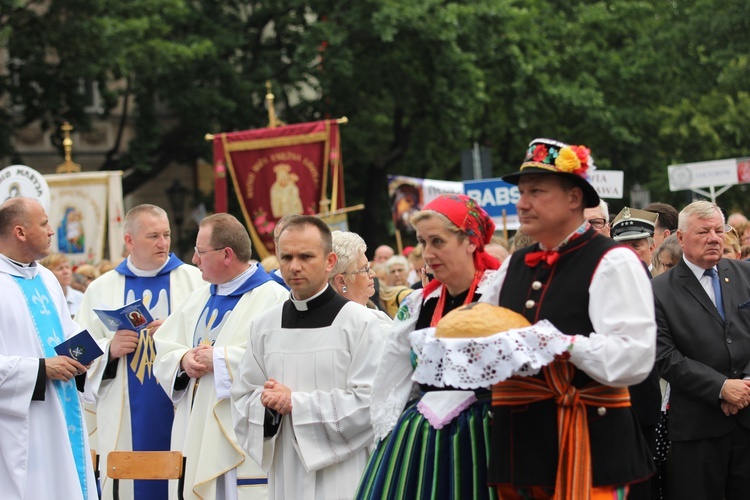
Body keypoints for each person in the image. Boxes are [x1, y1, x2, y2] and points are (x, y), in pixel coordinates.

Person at [481, 138, 655, 498]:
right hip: (519, 452)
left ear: (574, 198)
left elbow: (634, 358)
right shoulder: (514, 263)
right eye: (521, 192)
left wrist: (564, 345)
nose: (522, 203)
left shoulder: (613, 260)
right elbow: (486, 335)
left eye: (536, 191)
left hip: (591, 450)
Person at [356, 193, 501, 500]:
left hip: (486, 433)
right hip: (425, 436)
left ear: (471, 241)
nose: (427, 252)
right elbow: (392, 377)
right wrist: (391, 432)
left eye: (438, 241)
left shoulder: (499, 292)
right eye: (422, 242)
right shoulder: (419, 302)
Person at [231, 215, 385, 500]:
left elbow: (373, 402)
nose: (295, 266)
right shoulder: (264, 325)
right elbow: (242, 397)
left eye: (306, 256)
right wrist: (266, 407)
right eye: (286, 257)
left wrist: (296, 403)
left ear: (329, 262)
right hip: (286, 471)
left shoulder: (361, 323)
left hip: (344, 473)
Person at [75, 204, 205, 500]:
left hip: (181, 405)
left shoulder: (196, 281)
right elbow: (77, 353)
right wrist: (109, 350)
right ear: (129, 241)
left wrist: (173, 334)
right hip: (123, 413)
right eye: (153, 236)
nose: (163, 243)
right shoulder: (101, 288)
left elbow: (211, 342)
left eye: (166, 234)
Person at [153, 214, 288, 499]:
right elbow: (164, 345)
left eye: (200, 252)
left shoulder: (274, 298)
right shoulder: (197, 298)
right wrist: (183, 360)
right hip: (195, 427)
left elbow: (281, 361)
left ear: (227, 254)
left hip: (240, 435)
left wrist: (220, 358)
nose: (193, 259)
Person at [0, 197, 97, 499]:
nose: (52, 230)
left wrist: (86, 355)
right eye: (43, 223)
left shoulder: (47, 278)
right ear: (20, 232)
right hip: (20, 428)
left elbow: (67, 336)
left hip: (63, 410)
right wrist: (41, 369)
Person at [654, 200, 750, 498]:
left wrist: (745, 384)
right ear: (681, 238)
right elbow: (664, 356)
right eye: (704, 231)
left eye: (719, 231)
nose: (714, 238)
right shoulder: (659, 290)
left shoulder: (745, 275)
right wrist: (721, 387)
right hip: (698, 430)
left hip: (747, 419)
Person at [328, 230, 391, 323]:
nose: (373, 274)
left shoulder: (376, 316)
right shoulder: (371, 322)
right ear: (341, 281)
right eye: (365, 269)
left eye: (369, 267)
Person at [611, 206, 659, 273]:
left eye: (636, 245)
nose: (629, 252)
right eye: (623, 247)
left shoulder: (664, 282)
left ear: (651, 248)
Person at [40, 252, 85, 317]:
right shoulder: (42, 298)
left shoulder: (80, 298)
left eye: (67, 267)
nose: (66, 272)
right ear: (47, 273)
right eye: (60, 269)